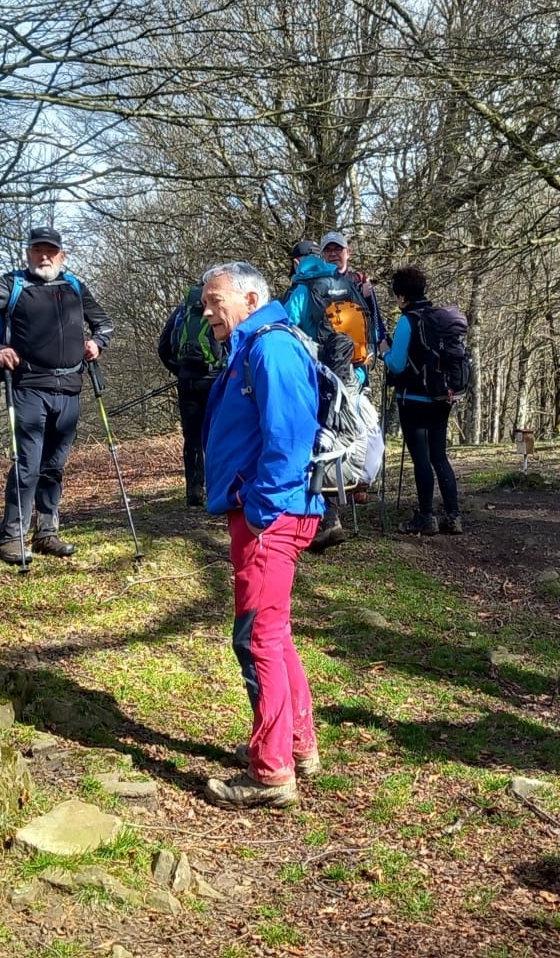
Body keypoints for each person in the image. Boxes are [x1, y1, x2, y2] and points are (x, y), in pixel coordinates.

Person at [197, 260, 324, 810]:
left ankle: (271, 773)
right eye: (205, 302)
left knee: (255, 639)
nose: (207, 312)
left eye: (215, 300)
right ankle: (296, 744)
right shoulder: (252, 346)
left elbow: (289, 438)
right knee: (275, 632)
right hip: (266, 511)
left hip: (270, 516)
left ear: (250, 299)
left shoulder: (271, 347)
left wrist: (260, 509)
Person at [0, 226, 115, 566]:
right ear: (28, 253)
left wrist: (96, 343)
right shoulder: (11, 285)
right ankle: (11, 536)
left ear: (61, 255)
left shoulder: (74, 287)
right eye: (37, 250)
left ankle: (46, 533)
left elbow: (104, 324)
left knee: (53, 466)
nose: (44, 257)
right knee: (27, 465)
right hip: (28, 386)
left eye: (50, 251)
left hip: (69, 388)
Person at [283, 238, 364, 551]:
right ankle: (333, 513)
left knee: (314, 443)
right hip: (350, 376)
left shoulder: (302, 290)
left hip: (315, 377)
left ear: (299, 266)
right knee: (338, 439)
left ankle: (324, 519)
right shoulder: (347, 286)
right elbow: (366, 332)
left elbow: (285, 330)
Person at [381, 266, 461, 535]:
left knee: (421, 459)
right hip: (441, 396)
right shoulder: (437, 318)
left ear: (402, 296)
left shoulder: (408, 320)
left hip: (413, 398)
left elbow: (397, 363)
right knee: (439, 456)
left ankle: (426, 517)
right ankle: (453, 516)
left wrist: (384, 352)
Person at [156, 280, 226, 506]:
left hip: (187, 380)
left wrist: (180, 370)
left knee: (192, 437)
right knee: (216, 434)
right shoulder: (219, 308)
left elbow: (163, 347)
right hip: (215, 380)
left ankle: (194, 491)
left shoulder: (182, 310)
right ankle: (217, 488)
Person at [319, 230, 388, 362]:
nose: (333, 254)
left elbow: (375, 318)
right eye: (328, 250)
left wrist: (382, 341)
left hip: (359, 357)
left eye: (338, 249)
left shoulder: (360, 280)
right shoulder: (316, 285)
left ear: (348, 252)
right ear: (322, 255)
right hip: (328, 357)